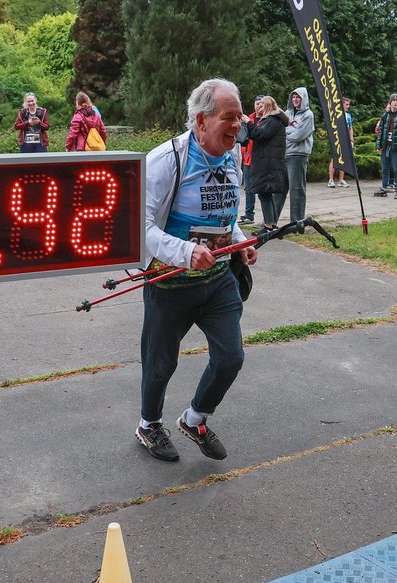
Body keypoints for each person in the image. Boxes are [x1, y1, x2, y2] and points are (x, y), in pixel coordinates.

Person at [136, 78, 258, 463]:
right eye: (230, 117)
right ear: (201, 121)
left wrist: (241, 239)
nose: (238, 125)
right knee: (160, 364)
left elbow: (225, 214)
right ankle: (149, 424)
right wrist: (186, 252)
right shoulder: (166, 160)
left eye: (240, 117)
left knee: (231, 357)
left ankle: (195, 418)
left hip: (218, 280)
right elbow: (141, 226)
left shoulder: (233, 154)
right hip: (170, 282)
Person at [243, 95, 289, 230]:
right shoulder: (273, 120)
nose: (259, 108)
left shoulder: (272, 120)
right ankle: (272, 225)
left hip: (267, 163)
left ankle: (269, 225)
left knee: (264, 193)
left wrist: (248, 122)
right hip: (268, 161)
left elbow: (260, 135)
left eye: (262, 105)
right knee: (266, 194)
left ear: (268, 106)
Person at [274, 87, 314, 223]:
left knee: (296, 190)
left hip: (298, 156)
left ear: (303, 99)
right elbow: (280, 131)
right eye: (294, 97)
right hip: (284, 154)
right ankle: (271, 220)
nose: (295, 100)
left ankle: (296, 222)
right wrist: (289, 131)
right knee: (278, 189)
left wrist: (287, 132)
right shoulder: (287, 113)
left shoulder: (308, 115)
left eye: (298, 97)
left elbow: (298, 136)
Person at [374, 94, 397, 200]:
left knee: (396, 169)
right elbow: (381, 131)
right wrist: (379, 145)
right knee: (385, 168)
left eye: (396, 104)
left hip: (396, 147)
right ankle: (384, 188)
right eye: (393, 104)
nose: (394, 106)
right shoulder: (385, 116)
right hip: (386, 146)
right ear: (389, 104)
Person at [238, 95, 262, 224]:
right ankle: (249, 214)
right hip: (247, 158)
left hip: (260, 159)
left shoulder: (267, 119)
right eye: (257, 103)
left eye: (261, 103)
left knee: (263, 189)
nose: (259, 106)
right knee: (248, 189)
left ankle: (268, 217)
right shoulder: (248, 118)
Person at [327, 96, 353, 188]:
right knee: (335, 158)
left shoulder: (348, 115)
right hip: (337, 139)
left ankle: (341, 179)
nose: (348, 106)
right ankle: (331, 179)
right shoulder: (336, 114)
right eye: (346, 104)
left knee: (344, 159)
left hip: (346, 139)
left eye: (348, 104)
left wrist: (351, 140)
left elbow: (350, 128)